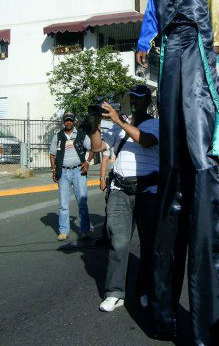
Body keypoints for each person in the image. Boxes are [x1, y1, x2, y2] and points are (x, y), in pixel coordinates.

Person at [136, 0, 219, 344]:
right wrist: (144, 44)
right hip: (170, 55)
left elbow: (212, 11)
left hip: (196, 47)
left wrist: (211, 54)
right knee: (174, 159)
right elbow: (151, 18)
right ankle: (162, 309)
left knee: (197, 154)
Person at [90, 85, 159, 312]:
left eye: (140, 99)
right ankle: (115, 292)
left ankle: (146, 290)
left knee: (149, 244)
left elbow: (146, 141)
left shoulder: (156, 123)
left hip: (148, 191)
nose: (136, 102)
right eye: (133, 99)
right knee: (118, 241)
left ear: (148, 102)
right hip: (120, 189)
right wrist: (94, 124)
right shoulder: (121, 125)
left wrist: (119, 121)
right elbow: (99, 146)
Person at [49, 111, 93, 241]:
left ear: (74, 121)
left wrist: (87, 162)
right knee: (63, 204)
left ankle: (85, 230)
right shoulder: (58, 136)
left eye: (71, 120)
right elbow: (52, 154)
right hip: (63, 173)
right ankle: (63, 231)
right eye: (66, 120)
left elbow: (92, 148)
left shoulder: (81, 135)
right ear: (63, 121)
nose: (68, 122)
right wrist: (53, 170)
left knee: (82, 202)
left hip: (79, 171)